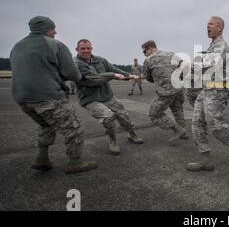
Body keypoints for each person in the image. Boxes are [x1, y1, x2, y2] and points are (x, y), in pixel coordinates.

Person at [10, 16, 97, 174]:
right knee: (74, 128)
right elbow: (71, 72)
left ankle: (42, 158)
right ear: (46, 29)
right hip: (48, 97)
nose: (55, 31)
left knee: (46, 124)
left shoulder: (17, 46)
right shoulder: (55, 45)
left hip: (22, 99)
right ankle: (75, 162)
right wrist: (81, 78)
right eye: (53, 29)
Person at [187, 16, 229, 172]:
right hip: (206, 90)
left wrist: (191, 65)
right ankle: (205, 158)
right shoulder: (212, 46)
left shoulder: (221, 45)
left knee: (215, 125)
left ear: (220, 27)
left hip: (217, 91)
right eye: (207, 23)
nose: (207, 26)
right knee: (197, 123)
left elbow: (210, 65)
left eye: (211, 24)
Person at [74, 39, 144, 155]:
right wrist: (113, 76)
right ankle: (112, 140)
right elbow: (93, 79)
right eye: (83, 49)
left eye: (88, 48)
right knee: (108, 117)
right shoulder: (76, 64)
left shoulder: (99, 60)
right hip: (91, 99)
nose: (86, 51)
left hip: (107, 96)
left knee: (124, 116)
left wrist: (129, 76)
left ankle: (132, 134)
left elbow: (113, 69)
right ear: (77, 50)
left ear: (91, 48)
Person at [142, 40, 187, 144]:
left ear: (149, 48)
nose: (144, 54)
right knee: (178, 110)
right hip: (179, 89)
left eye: (144, 52)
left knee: (154, 114)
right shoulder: (172, 54)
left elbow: (148, 77)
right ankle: (183, 133)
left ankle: (178, 130)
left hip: (165, 92)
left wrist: (159, 79)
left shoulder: (149, 60)